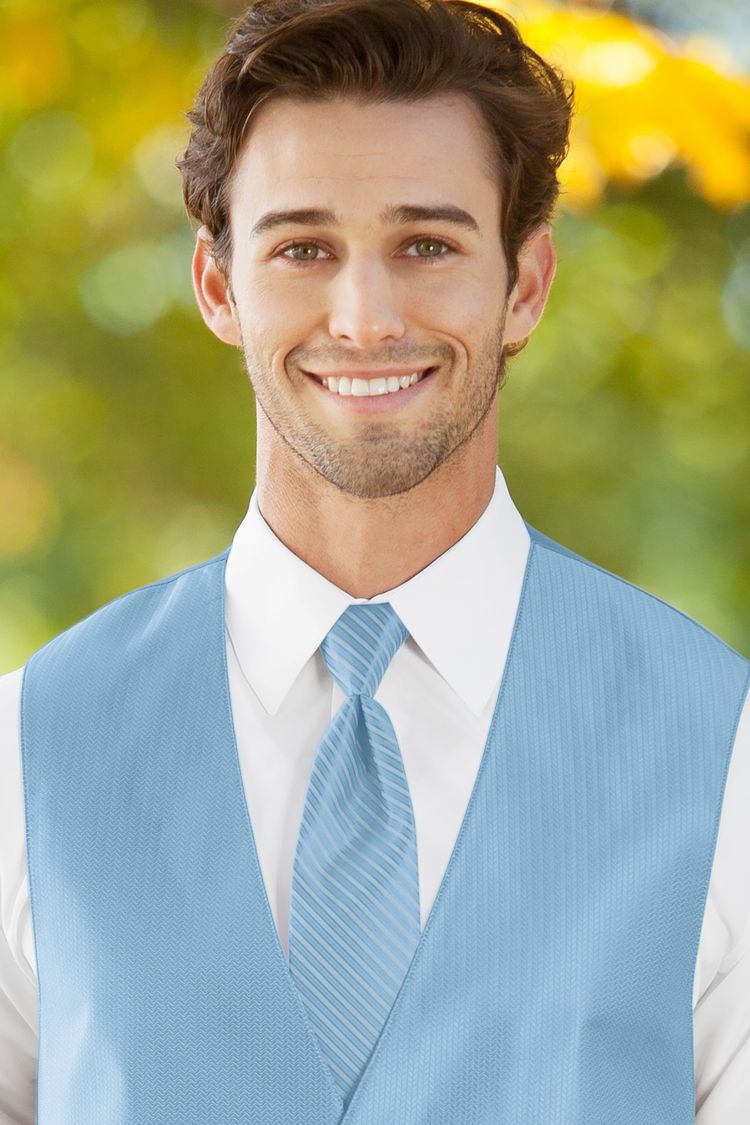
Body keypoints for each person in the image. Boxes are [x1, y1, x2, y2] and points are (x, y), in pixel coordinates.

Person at [0, 0, 748, 1120]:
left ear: (525, 285)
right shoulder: (27, 752)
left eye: (427, 245)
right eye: (303, 248)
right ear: (219, 287)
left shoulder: (726, 757)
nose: (363, 318)